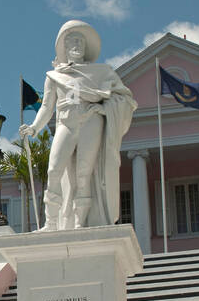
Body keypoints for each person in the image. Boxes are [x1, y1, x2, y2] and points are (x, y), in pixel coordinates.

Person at [20, 20, 137, 229]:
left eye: (81, 42)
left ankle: (80, 224)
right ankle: (51, 222)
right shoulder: (55, 76)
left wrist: (103, 109)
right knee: (54, 170)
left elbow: (125, 99)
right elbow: (47, 107)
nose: (77, 45)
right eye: (72, 41)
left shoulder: (102, 72)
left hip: (91, 121)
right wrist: (34, 127)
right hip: (66, 122)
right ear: (64, 47)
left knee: (84, 173)